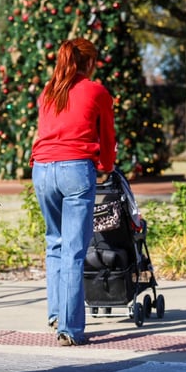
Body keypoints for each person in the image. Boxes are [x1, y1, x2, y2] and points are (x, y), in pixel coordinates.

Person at [31, 37, 117, 346]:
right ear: (90, 62)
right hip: (76, 169)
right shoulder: (96, 91)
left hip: (42, 169)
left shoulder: (48, 91)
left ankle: (56, 314)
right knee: (74, 250)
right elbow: (107, 136)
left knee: (54, 242)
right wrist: (106, 165)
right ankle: (69, 328)